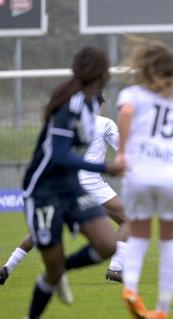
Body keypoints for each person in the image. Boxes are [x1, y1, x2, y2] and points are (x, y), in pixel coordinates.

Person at [21, 47, 125, 318]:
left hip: (72, 187)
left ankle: (59, 270)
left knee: (107, 244)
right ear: (98, 72)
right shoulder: (71, 103)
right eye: (106, 68)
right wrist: (104, 167)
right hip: (44, 190)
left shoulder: (92, 105)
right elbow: (58, 153)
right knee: (52, 272)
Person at [116, 42, 173, 319]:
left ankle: (130, 287)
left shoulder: (133, 94)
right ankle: (164, 308)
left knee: (139, 234)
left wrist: (121, 153)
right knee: (169, 242)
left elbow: (127, 112)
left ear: (144, 69)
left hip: (139, 174)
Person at [0, 93, 129, 285]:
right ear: (98, 104)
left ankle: (7, 267)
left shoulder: (65, 122)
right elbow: (123, 149)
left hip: (64, 183)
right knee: (128, 220)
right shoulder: (105, 124)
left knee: (43, 228)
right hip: (91, 182)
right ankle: (115, 269)